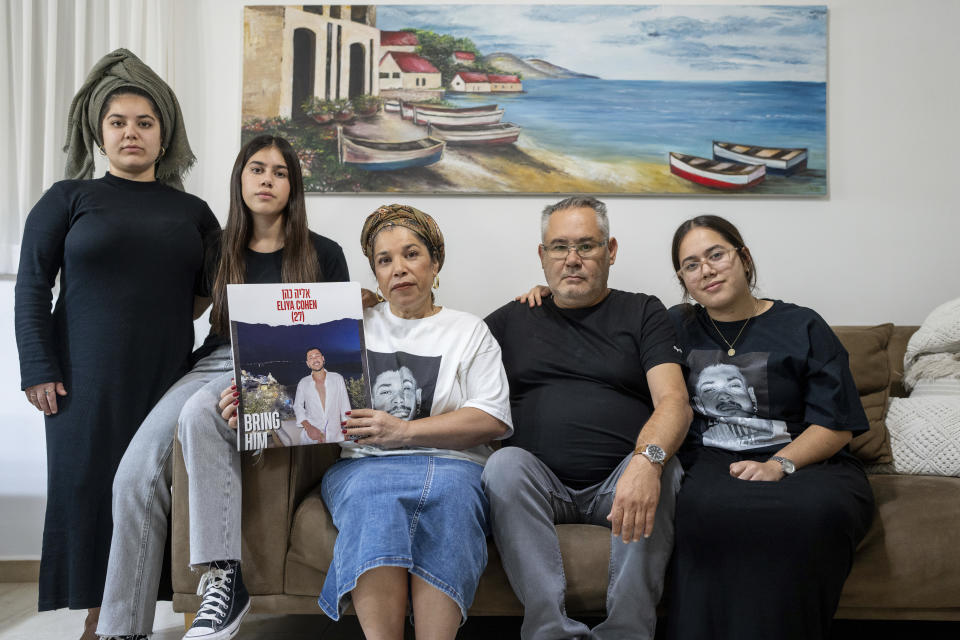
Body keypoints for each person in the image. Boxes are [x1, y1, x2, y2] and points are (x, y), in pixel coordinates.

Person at [95, 134, 348, 640]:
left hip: (281, 371)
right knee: (132, 477)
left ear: (293, 187)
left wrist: (261, 390)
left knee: (198, 414)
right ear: (241, 179)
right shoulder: (215, 248)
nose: (268, 180)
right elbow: (174, 312)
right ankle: (121, 629)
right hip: (212, 364)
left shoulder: (324, 253)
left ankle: (224, 577)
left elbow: (333, 347)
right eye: (257, 169)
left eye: (280, 172)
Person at [14, 48, 219, 640]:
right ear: (99, 133)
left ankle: (160, 610)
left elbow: (212, 291)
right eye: (118, 122)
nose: (132, 133)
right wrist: (37, 366)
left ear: (165, 135)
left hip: (165, 377)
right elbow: (32, 285)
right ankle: (101, 617)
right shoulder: (66, 198)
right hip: (81, 377)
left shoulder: (194, 212)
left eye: (145, 123)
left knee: (157, 493)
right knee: (88, 491)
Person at [485, 196, 692, 640]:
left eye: (587, 246)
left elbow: (674, 400)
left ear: (611, 251)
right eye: (559, 247)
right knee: (502, 465)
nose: (572, 260)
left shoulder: (642, 312)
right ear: (542, 257)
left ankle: (626, 633)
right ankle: (550, 632)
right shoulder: (511, 319)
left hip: (621, 478)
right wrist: (368, 306)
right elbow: (440, 348)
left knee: (668, 466)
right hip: (540, 485)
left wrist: (647, 460)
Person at [305, 203, 512, 640]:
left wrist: (404, 431)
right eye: (385, 260)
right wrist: (250, 403)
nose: (399, 268)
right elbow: (297, 381)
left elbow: (492, 418)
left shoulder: (468, 330)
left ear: (435, 263)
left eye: (411, 254)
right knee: (371, 498)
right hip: (362, 465)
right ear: (375, 274)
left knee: (454, 497)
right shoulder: (348, 325)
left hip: (456, 465)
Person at [664, 215, 874, 640]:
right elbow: (607, 319)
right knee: (699, 511)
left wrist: (779, 464)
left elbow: (835, 426)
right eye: (690, 265)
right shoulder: (675, 326)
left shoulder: (802, 325)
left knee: (814, 514)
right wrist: (547, 295)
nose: (705, 270)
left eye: (715, 255)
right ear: (684, 279)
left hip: (807, 461)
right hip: (709, 462)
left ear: (743, 257)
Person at [294, 347, 352, 444]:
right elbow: (297, 406)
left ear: (323, 358)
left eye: (317, 356)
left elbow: (345, 406)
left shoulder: (337, 378)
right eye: (311, 358)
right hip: (311, 436)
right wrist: (309, 428)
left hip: (336, 435)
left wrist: (348, 430)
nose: (315, 359)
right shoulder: (303, 382)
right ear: (308, 363)